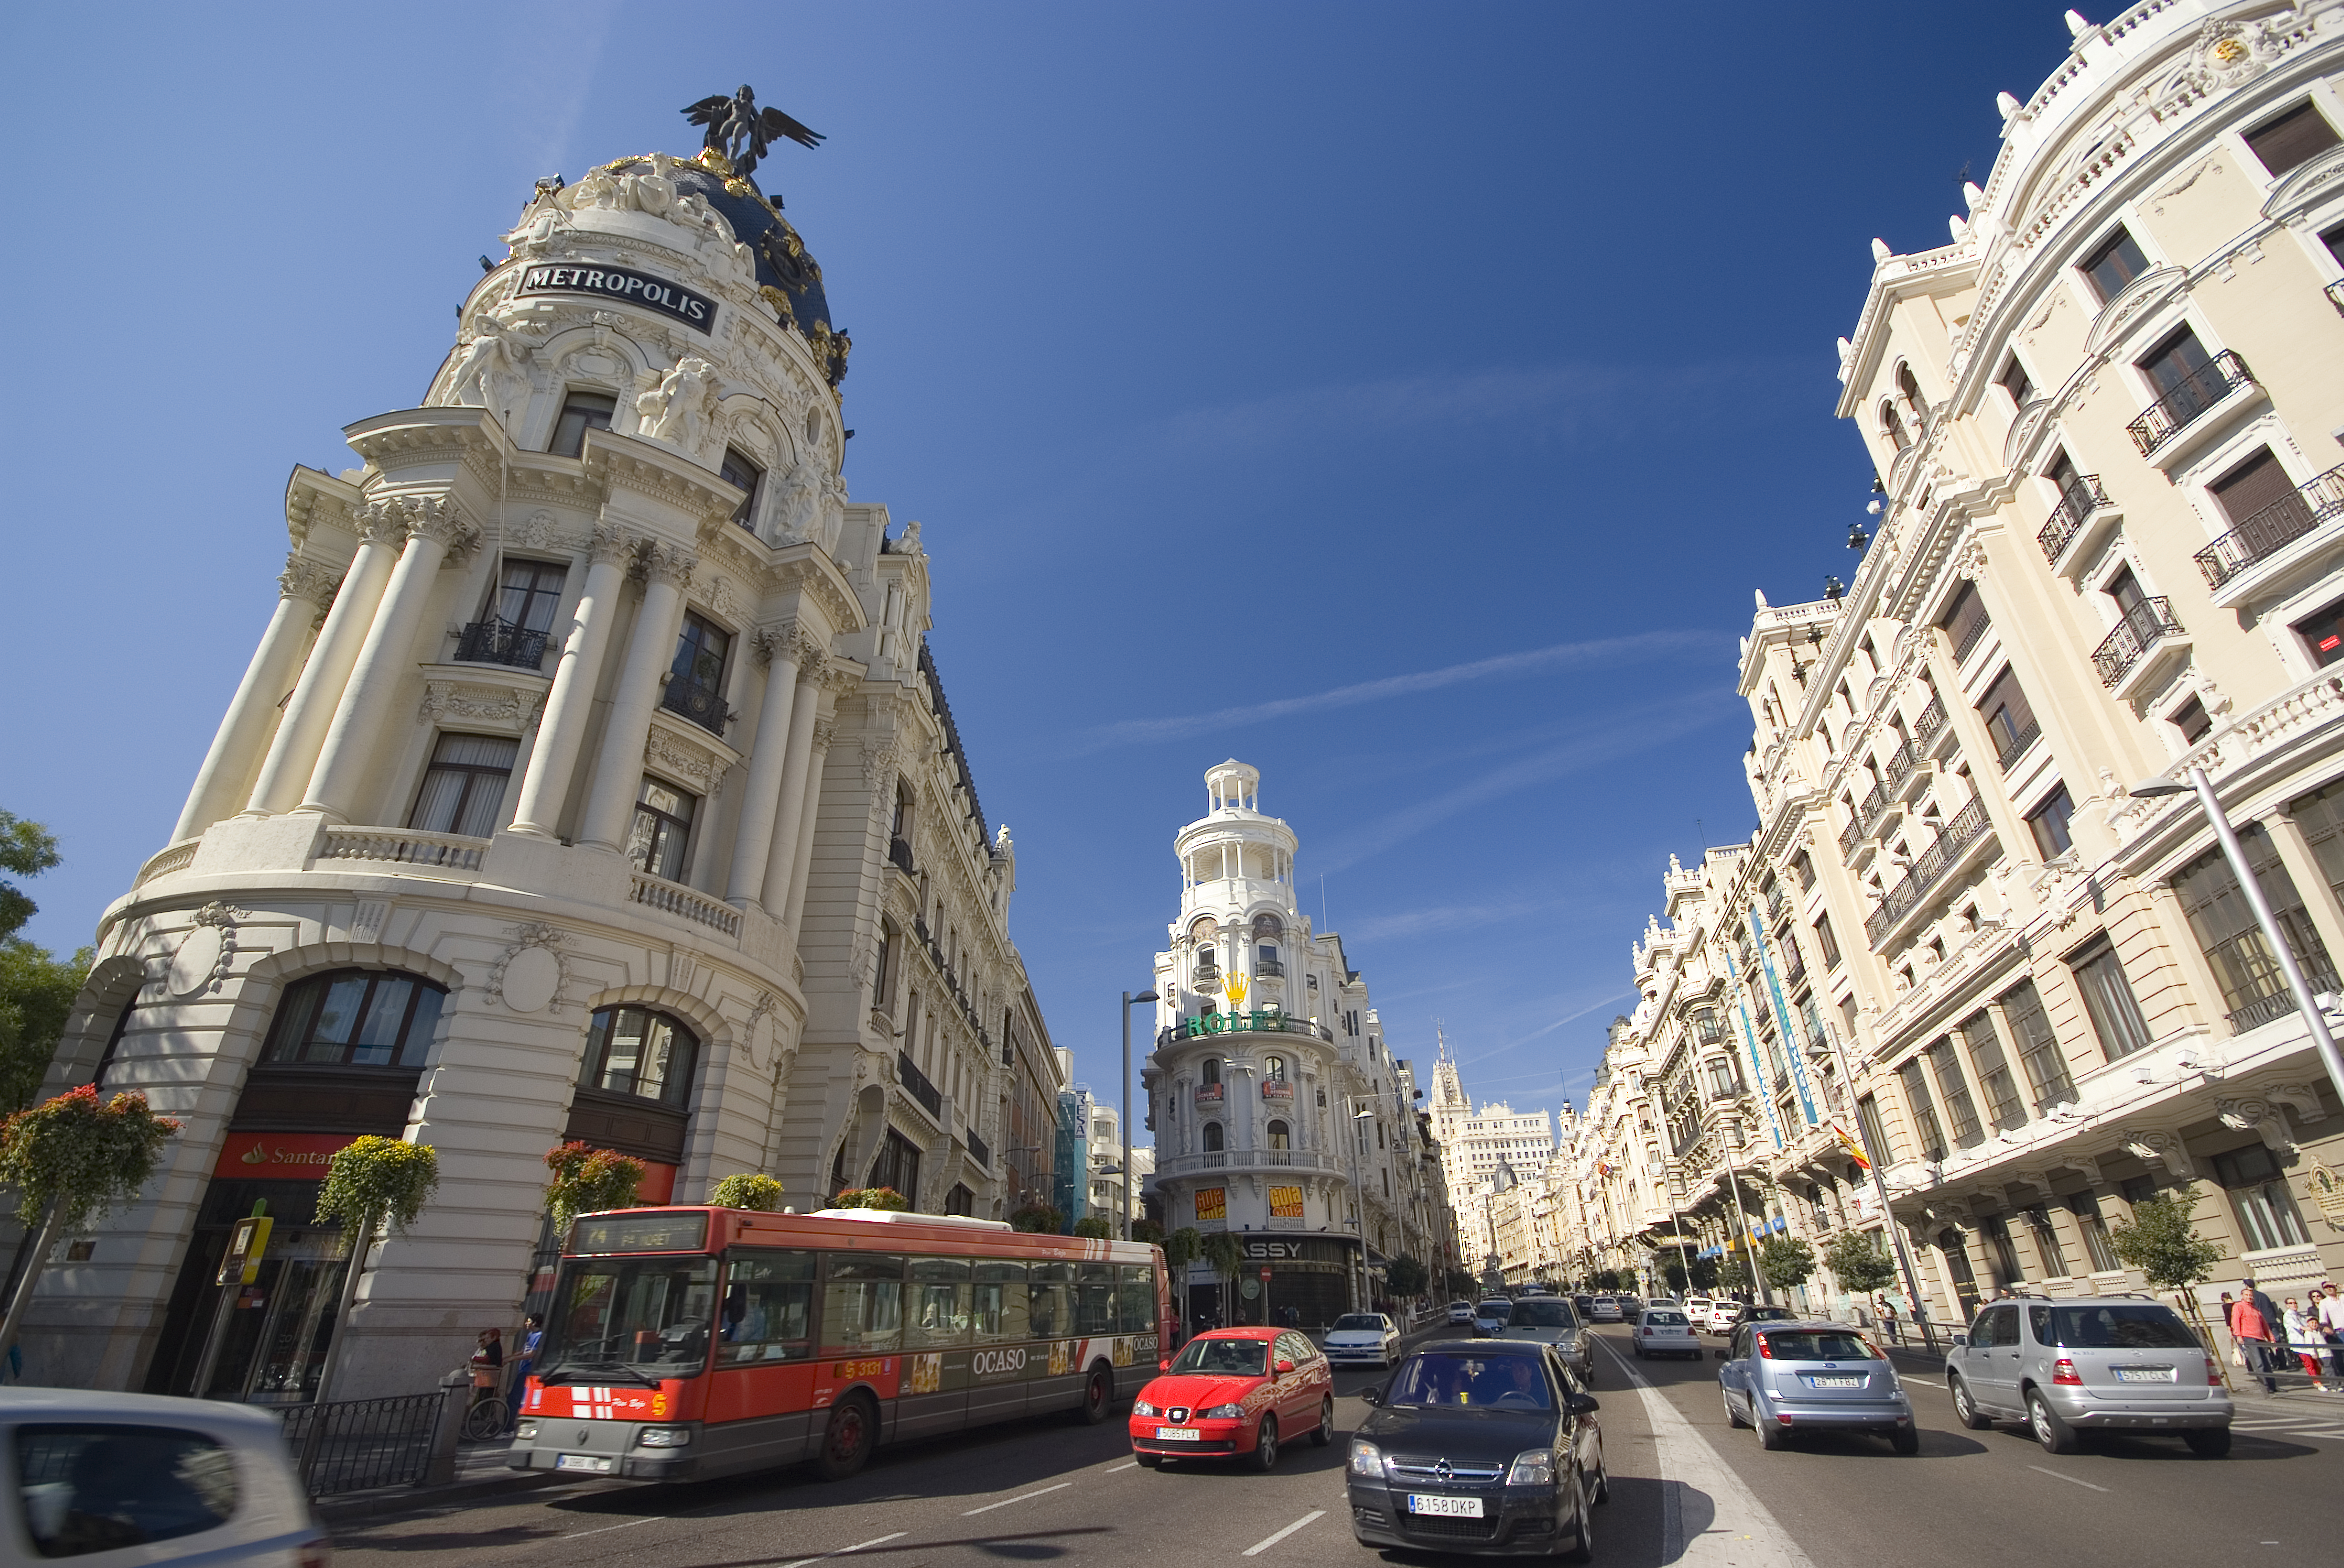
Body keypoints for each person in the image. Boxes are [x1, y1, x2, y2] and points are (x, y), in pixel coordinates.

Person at [2229, 1284, 2279, 1394]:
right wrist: (2239, 1335)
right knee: (2259, 1363)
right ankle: (2265, 1388)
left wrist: (2271, 1337)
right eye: (2247, 1295)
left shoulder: (2256, 1309)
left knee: (2267, 1363)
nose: (2249, 1297)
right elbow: (2236, 1322)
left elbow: (2264, 1324)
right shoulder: (2239, 1306)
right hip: (2249, 1338)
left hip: (2260, 1338)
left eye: (2251, 1295)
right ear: (2242, 1296)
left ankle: (2273, 1386)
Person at [2283, 1298, 2330, 1392]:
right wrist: (2305, 1328)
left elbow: (2307, 1321)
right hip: (2299, 1343)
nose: (2294, 1305)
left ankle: (2317, 1380)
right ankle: (2317, 1382)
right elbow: (2296, 1325)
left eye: (2295, 1303)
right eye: (2291, 1303)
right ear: (2287, 1305)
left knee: (2317, 1363)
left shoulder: (2299, 1315)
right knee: (2309, 1363)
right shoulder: (2288, 1316)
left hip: (2308, 1342)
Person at [469, 1327, 505, 1410]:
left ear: (494, 1338)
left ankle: (486, 1415)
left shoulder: (493, 1347)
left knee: (485, 1397)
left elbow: (488, 1359)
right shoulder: (492, 1346)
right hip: (487, 1375)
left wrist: (475, 1359)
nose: (486, 1341)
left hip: (490, 1375)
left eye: (487, 1338)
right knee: (483, 1396)